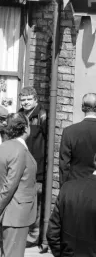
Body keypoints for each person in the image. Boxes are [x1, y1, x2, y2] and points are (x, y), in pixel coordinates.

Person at [59, 93, 96, 186]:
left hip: (75, 186)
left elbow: (64, 165)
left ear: (82, 107)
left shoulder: (69, 131)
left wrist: (64, 188)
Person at [0, 112, 37, 257]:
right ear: (26, 128)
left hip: (10, 213)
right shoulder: (19, 150)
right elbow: (10, 185)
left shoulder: (4, 146)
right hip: (15, 214)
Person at [18, 86, 47, 247]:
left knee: (35, 203)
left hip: (37, 168)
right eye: (23, 99)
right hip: (20, 166)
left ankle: (34, 235)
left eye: (29, 99)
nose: (26, 102)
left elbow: (48, 140)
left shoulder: (42, 115)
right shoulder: (19, 115)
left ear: (35, 100)